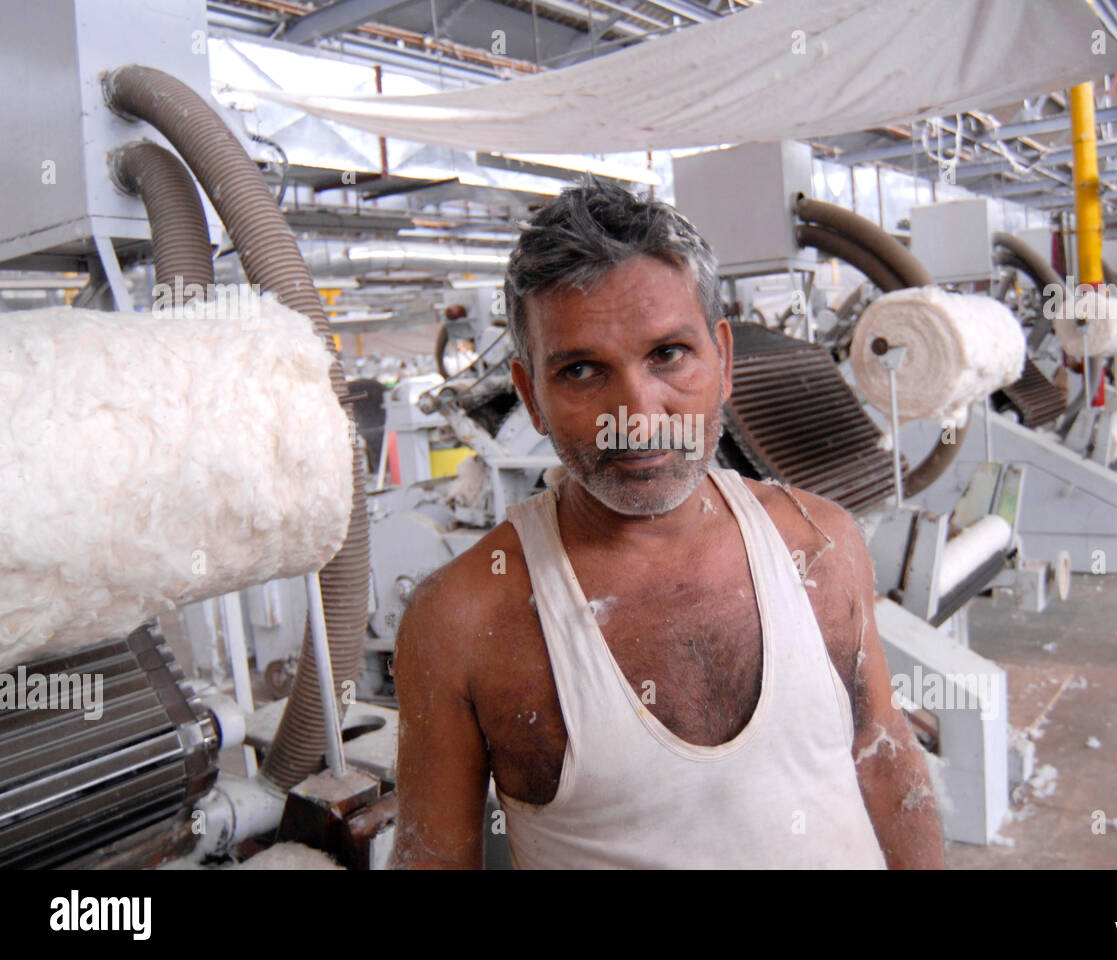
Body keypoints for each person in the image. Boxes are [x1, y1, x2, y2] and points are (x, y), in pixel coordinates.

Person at [390, 179, 944, 869]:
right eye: (583, 370)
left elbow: (885, 758)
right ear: (531, 396)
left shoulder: (820, 545)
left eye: (668, 355)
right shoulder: (464, 620)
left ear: (724, 359)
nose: (638, 416)